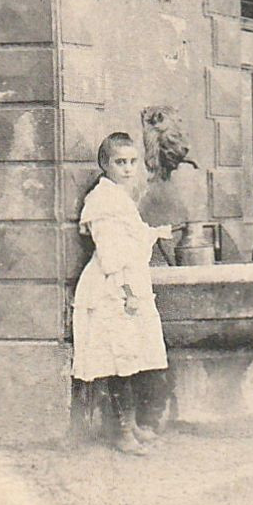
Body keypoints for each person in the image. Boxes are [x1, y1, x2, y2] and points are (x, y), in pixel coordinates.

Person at [72, 133, 172, 455]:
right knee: (120, 360)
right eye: (120, 163)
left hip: (128, 281)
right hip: (113, 286)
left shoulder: (120, 198)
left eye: (132, 162)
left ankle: (132, 425)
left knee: (135, 355)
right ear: (105, 165)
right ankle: (122, 431)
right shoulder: (102, 202)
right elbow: (113, 256)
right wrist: (129, 291)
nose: (128, 169)